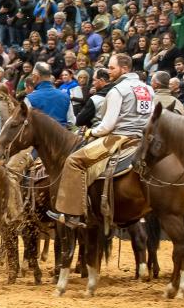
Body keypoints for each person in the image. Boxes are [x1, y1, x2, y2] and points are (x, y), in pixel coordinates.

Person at [53, 54, 151, 226]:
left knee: (74, 161)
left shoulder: (118, 90)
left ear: (125, 68)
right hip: (142, 139)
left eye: (112, 68)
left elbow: (107, 126)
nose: (109, 72)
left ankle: (72, 214)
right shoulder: (147, 89)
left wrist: (91, 132)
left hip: (119, 137)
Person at [25, 61, 74, 127]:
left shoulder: (30, 98)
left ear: (35, 77)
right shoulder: (65, 96)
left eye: (32, 75)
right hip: (61, 136)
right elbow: (72, 122)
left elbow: (25, 123)